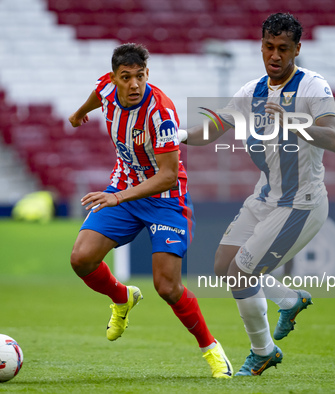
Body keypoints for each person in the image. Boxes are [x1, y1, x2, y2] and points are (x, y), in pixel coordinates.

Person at [181, 13, 335, 376]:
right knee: (224, 266)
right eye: (268, 47)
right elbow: (214, 128)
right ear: (261, 46)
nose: (275, 55)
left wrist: (294, 123)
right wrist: (178, 135)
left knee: (241, 273)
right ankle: (289, 300)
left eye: (283, 49)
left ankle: (263, 351)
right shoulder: (251, 91)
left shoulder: (313, 87)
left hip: (302, 202)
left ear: (297, 49)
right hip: (265, 197)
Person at [68, 43, 232, 378]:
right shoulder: (106, 88)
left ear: (147, 74)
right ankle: (122, 297)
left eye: (140, 76)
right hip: (124, 186)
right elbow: (98, 95)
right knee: (81, 259)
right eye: (125, 77)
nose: (133, 85)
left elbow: (167, 175)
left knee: (167, 287)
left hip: (166, 199)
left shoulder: (162, 113)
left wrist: (119, 197)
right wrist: (79, 112)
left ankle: (212, 349)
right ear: (114, 78)